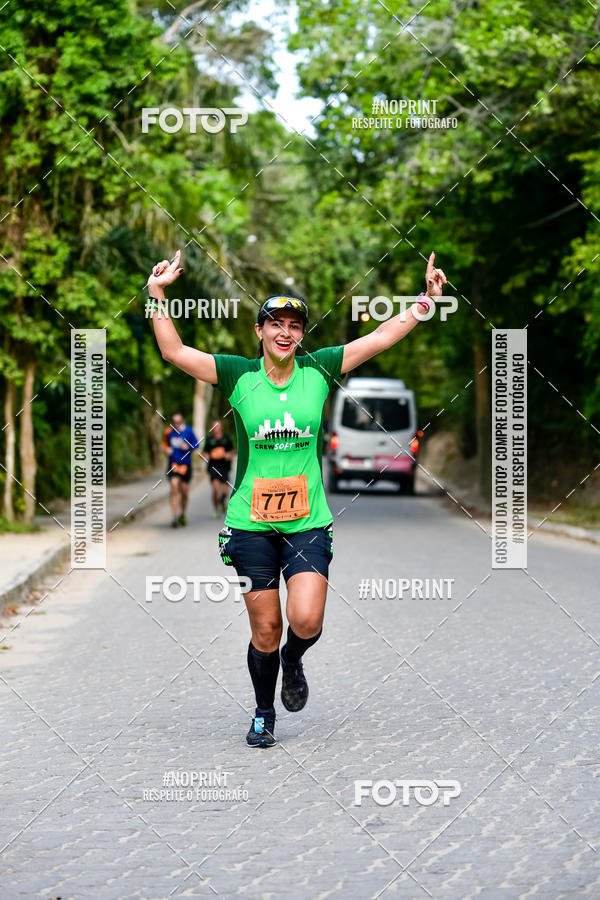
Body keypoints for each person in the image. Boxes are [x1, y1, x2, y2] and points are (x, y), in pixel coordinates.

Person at [147, 249, 447, 747]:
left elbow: (377, 338)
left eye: (294, 325)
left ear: (302, 333)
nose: (285, 332)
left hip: (308, 520)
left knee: (305, 620)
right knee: (265, 627)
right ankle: (264, 713)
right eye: (275, 324)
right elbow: (175, 353)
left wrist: (423, 303)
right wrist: (156, 295)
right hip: (249, 522)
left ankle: (294, 659)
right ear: (260, 331)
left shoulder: (319, 370)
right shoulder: (237, 374)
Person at [162, 411, 199, 528]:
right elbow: (164, 444)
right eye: (174, 422)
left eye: (178, 422)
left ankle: (183, 513)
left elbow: (197, 444)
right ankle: (174, 516)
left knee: (184, 492)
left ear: (182, 421)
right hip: (173, 464)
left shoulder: (188, 431)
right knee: (174, 487)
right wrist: (166, 449)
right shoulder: (169, 432)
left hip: (186, 465)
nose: (176, 424)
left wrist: (189, 447)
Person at [203, 420, 234, 515]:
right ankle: (216, 509)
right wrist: (206, 456)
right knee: (215, 489)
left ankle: (222, 502)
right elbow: (204, 452)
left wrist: (229, 454)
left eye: (218, 426)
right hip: (213, 466)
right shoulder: (209, 439)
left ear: (221, 427)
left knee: (225, 492)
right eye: (214, 426)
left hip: (224, 466)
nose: (216, 428)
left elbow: (233, 450)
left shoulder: (227, 438)